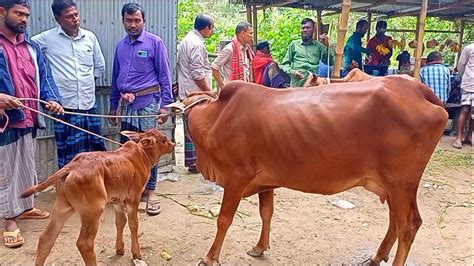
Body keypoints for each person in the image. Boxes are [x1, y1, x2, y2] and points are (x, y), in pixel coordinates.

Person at [0, 0, 64, 248]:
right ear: (2, 12)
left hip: (28, 116)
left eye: (26, 14)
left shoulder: (32, 46)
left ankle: (25, 207)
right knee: (6, 170)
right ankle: (9, 221)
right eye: (19, 14)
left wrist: (52, 100)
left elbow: (45, 78)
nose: (24, 19)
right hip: (5, 120)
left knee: (26, 164)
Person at [108, 2, 173, 215]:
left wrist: (165, 106)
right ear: (123, 21)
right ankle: (130, 189)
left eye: (137, 20)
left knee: (148, 150)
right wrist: (113, 106)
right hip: (126, 106)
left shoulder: (155, 43)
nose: (133, 24)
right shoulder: (120, 46)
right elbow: (115, 76)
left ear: (144, 21)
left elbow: (165, 76)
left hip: (148, 104)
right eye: (129, 20)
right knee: (127, 148)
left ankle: (151, 192)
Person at [32, 0, 106, 169]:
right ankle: (68, 191)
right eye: (69, 16)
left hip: (89, 105)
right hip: (65, 108)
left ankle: (96, 189)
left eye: (76, 14)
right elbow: (26, 50)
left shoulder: (90, 37)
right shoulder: (46, 39)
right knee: (70, 155)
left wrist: (84, 83)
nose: (75, 19)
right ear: (58, 19)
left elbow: (99, 66)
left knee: (96, 151)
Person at [177, 14, 214, 173]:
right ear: (206, 28)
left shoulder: (187, 39)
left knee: (191, 128)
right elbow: (197, 73)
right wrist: (209, 92)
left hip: (189, 91)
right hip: (195, 93)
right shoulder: (197, 44)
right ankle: (198, 162)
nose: (212, 32)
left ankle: (194, 162)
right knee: (198, 129)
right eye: (212, 29)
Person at [280, 18, 334, 87]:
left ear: (314, 30)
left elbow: (330, 62)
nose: (305, 30)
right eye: (303, 28)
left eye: (308, 28)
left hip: (313, 83)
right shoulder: (294, 44)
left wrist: (327, 46)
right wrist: (293, 72)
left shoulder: (319, 46)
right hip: (297, 84)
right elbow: (285, 64)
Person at [211, 21, 254, 90]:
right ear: (243, 34)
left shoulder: (247, 49)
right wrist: (222, 85)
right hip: (231, 91)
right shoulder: (230, 49)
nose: (252, 36)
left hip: (242, 90)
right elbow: (214, 67)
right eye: (251, 33)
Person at [452, 43, 474, 149]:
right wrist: (464, 75)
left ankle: (469, 136)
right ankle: (459, 137)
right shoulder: (469, 48)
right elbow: (461, 65)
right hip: (469, 84)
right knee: (465, 109)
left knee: (473, 113)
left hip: (468, 81)